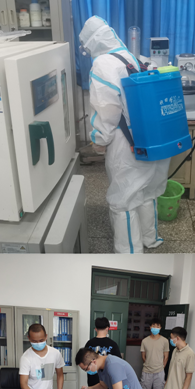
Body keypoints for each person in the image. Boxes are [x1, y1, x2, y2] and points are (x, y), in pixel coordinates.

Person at [79, 16, 168, 253]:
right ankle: (150, 238)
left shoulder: (103, 64)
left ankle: (130, 254)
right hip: (151, 137)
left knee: (123, 199)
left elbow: (106, 110)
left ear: (92, 43)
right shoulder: (132, 57)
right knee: (145, 192)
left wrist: (99, 141)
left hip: (125, 143)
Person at [140, 318, 169, 389]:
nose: (155, 328)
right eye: (153, 326)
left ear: (160, 328)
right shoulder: (145, 341)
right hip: (146, 371)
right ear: (150, 327)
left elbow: (166, 356)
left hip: (159, 372)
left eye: (157, 326)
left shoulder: (165, 341)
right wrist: (148, 364)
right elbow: (143, 356)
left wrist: (161, 367)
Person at [84, 317, 122, 389]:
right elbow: (118, 364)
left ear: (95, 329)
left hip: (92, 381)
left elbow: (85, 362)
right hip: (108, 382)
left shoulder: (89, 344)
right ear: (107, 328)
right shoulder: (113, 344)